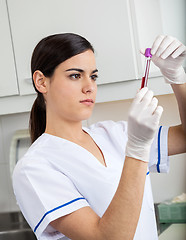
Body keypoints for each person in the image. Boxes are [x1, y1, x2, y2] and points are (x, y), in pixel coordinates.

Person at [12, 33, 186, 240]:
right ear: (41, 82)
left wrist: (177, 77)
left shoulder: (115, 134)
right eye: (75, 75)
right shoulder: (34, 168)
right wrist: (137, 150)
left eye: (93, 76)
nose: (89, 87)